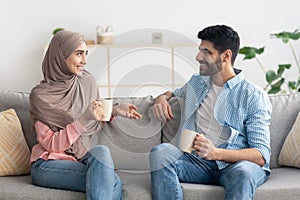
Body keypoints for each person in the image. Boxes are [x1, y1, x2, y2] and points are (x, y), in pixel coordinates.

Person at [150, 25, 272, 200]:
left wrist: (215, 153)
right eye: (200, 50)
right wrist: (161, 99)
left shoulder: (253, 96)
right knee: (160, 152)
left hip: (236, 165)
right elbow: (174, 93)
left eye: (206, 52)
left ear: (226, 56)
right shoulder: (197, 83)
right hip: (197, 163)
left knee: (244, 172)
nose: (198, 57)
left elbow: (260, 155)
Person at [29, 30, 142, 200]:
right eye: (79, 54)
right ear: (61, 56)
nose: (85, 61)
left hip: (80, 161)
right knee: (112, 181)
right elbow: (52, 144)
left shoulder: (87, 81)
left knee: (102, 154)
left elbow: (96, 113)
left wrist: (115, 109)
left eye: (86, 53)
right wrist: (83, 120)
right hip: (48, 165)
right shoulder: (40, 96)